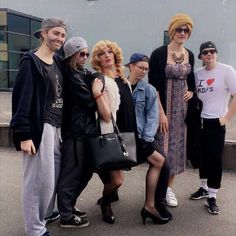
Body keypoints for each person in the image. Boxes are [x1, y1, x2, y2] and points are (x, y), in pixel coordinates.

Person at [10, 18, 67, 236]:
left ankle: (45, 213)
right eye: (56, 33)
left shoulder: (58, 61)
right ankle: (34, 228)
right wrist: (24, 135)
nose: (60, 38)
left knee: (50, 178)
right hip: (38, 128)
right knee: (35, 182)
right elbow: (21, 100)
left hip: (56, 128)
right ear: (43, 34)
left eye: (62, 35)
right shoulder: (31, 62)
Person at [57, 37, 110, 227]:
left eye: (87, 53)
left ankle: (68, 206)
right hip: (76, 132)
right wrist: (95, 91)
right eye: (82, 54)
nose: (86, 57)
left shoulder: (80, 72)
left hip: (87, 131)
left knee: (87, 171)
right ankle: (65, 215)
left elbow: (98, 77)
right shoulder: (70, 75)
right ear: (72, 55)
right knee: (71, 173)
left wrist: (97, 84)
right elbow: (89, 100)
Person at [148, 13, 195, 207]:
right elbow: (153, 86)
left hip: (182, 112)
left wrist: (191, 91)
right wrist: (160, 113)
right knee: (162, 151)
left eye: (186, 30)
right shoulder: (159, 53)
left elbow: (191, 80)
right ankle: (156, 191)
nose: (182, 33)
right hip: (164, 110)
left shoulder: (189, 54)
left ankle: (167, 189)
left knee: (176, 153)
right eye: (179, 29)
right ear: (172, 31)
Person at [189, 41, 236, 214]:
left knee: (215, 158)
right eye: (205, 52)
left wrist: (226, 118)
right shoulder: (197, 74)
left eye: (212, 51)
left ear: (216, 53)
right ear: (201, 56)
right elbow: (193, 93)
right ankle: (203, 188)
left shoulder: (226, 71)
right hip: (199, 120)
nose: (209, 54)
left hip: (216, 121)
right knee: (201, 155)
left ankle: (212, 196)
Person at [126, 53, 170, 224]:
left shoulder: (149, 90)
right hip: (123, 139)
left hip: (143, 137)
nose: (143, 71)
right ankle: (109, 197)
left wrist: (146, 139)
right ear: (131, 66)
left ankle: (157, 204)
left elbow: (153, 117)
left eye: (146, 68)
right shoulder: (119, 86)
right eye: (140, 67)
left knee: (163, 164)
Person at [90, 40, 124, 224]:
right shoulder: (101, 79)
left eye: (110, 51)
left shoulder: (118, 77)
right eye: (102, 53)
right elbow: (104, 114)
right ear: (98, 59)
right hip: (106, 132)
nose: (107, 55)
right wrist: (97, 93)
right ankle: (106, 203)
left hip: (116, 132)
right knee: (118, 180)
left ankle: (108, 197)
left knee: (113, 177)